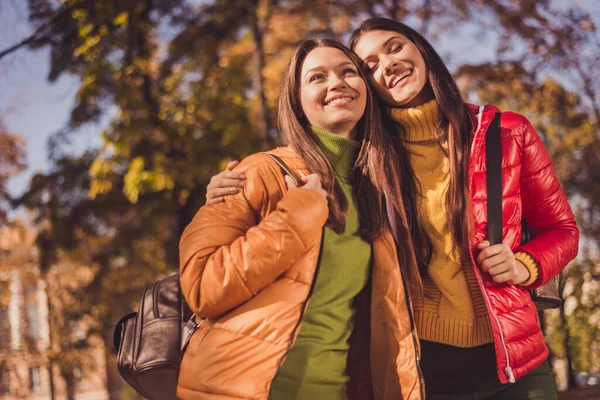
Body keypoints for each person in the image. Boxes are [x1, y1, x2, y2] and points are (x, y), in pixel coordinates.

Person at [206, 18, 579, 400]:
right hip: (420, 367)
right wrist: (237, 192)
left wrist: (524, 265)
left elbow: (562, 229)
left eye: (395, 47)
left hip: (516, 362)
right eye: (369, 66)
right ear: (368, 86)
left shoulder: (505, 132)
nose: (388, 63)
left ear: (420, 49)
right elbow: (300, 174)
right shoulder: (365, 159)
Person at [178, 38, 424, 400]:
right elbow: (202, 287)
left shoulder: (377, 192)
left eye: (348, 72)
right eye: (317, 77)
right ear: (297, 102)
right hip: (243, 390)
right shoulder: (258, 171)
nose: (336, 83)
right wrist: (297, 214)